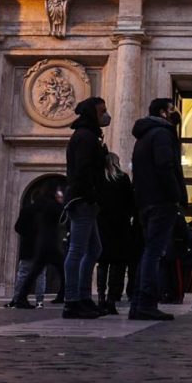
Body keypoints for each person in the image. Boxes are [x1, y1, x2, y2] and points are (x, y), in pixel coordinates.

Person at [128, 98, 183, 322]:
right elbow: (165, 165)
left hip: (145, 201)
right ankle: (147, 303)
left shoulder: (143, 137)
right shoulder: (162, 134)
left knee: (148, 252)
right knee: (154, 253)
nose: (176, 112)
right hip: (161, 201)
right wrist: (176, 195)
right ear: (163, 112)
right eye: (172, 108)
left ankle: (138, 303)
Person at [61, 97, 110, 319]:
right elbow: (83, 170)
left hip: (88, 199)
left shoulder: (90, 137)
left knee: (94, 249)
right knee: (77, 250)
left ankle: (83, 296)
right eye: (103, 111)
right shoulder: (85, 138)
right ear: (92, 113)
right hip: (83, 200)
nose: (106, 115)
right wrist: (91, 195)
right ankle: (72, 301)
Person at [96, 150, 139, 314]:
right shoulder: (123, 178)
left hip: (102, 225)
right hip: (120, 227)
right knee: (118, 265)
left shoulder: (99, 178)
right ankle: (112, 299)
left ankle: (100, 297)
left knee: (103, 263)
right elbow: (131, 202)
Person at [8, 181, 58, 309]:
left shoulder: (27, 210)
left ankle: (18, 298)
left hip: (28, 245)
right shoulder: (51, 208)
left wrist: (27, 234)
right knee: (41, 274)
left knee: (23, 273)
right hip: (43, 244)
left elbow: (18, 227)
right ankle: (39, 301)